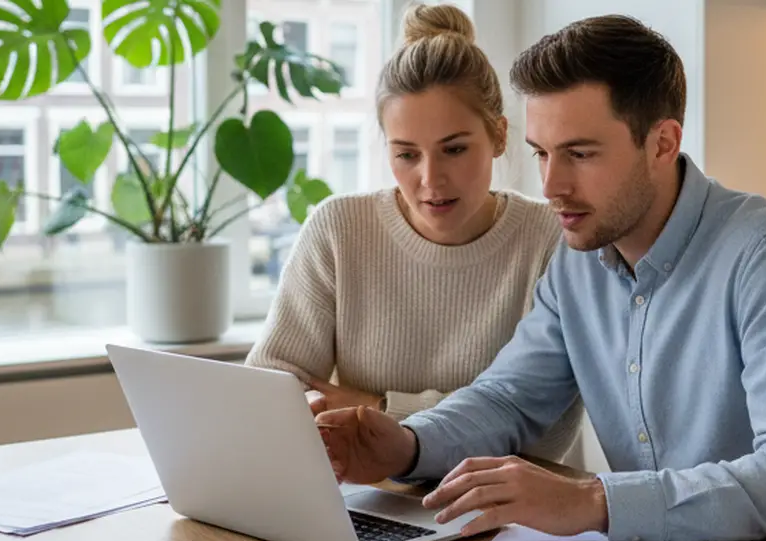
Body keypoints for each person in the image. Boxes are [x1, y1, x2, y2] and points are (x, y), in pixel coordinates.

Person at [314, 14, 766, 541]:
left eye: (579, 154)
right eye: (541, 154)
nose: (552, 184)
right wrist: (408, 443)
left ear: (662, 143)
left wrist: (595, 501)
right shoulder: (579, 258)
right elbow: (508, 400)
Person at [245, 4, 583, 464]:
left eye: (455, 149)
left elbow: (539, 434)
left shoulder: (554, 241)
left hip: (507, 513)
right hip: (366, 497)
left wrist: (376, 409)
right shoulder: (340, 230)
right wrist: (323, 411)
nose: (430, 180)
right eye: (406, 154)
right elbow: (271, 390)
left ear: (499, 136)